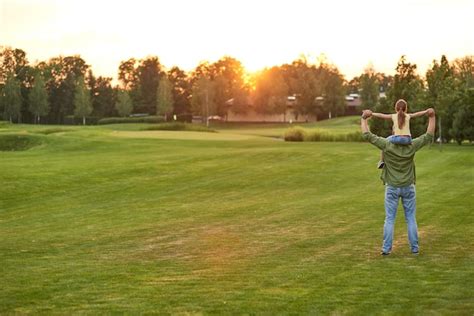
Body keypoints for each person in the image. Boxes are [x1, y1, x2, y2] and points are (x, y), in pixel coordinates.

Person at [361, 107, 436, 256]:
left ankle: (386, 249)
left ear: (394, 128)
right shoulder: (412, 145)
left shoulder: (387, 145)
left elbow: (367, 135)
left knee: (389, 219)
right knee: (410, 219)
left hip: (392, 188)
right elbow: (428, 135)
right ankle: (414, 249)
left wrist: (364, 119)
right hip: (408, 187)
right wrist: (432, 117)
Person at [371, 99, 428, 169]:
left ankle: (381, 161)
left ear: (396, 108)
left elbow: (382, 115)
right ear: (405, 108)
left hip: (397, 138)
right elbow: (417, 114)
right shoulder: (408, 116)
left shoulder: (394, 116)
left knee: (384, 143)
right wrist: (426, 111)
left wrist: (372, 113)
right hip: (408, 140)